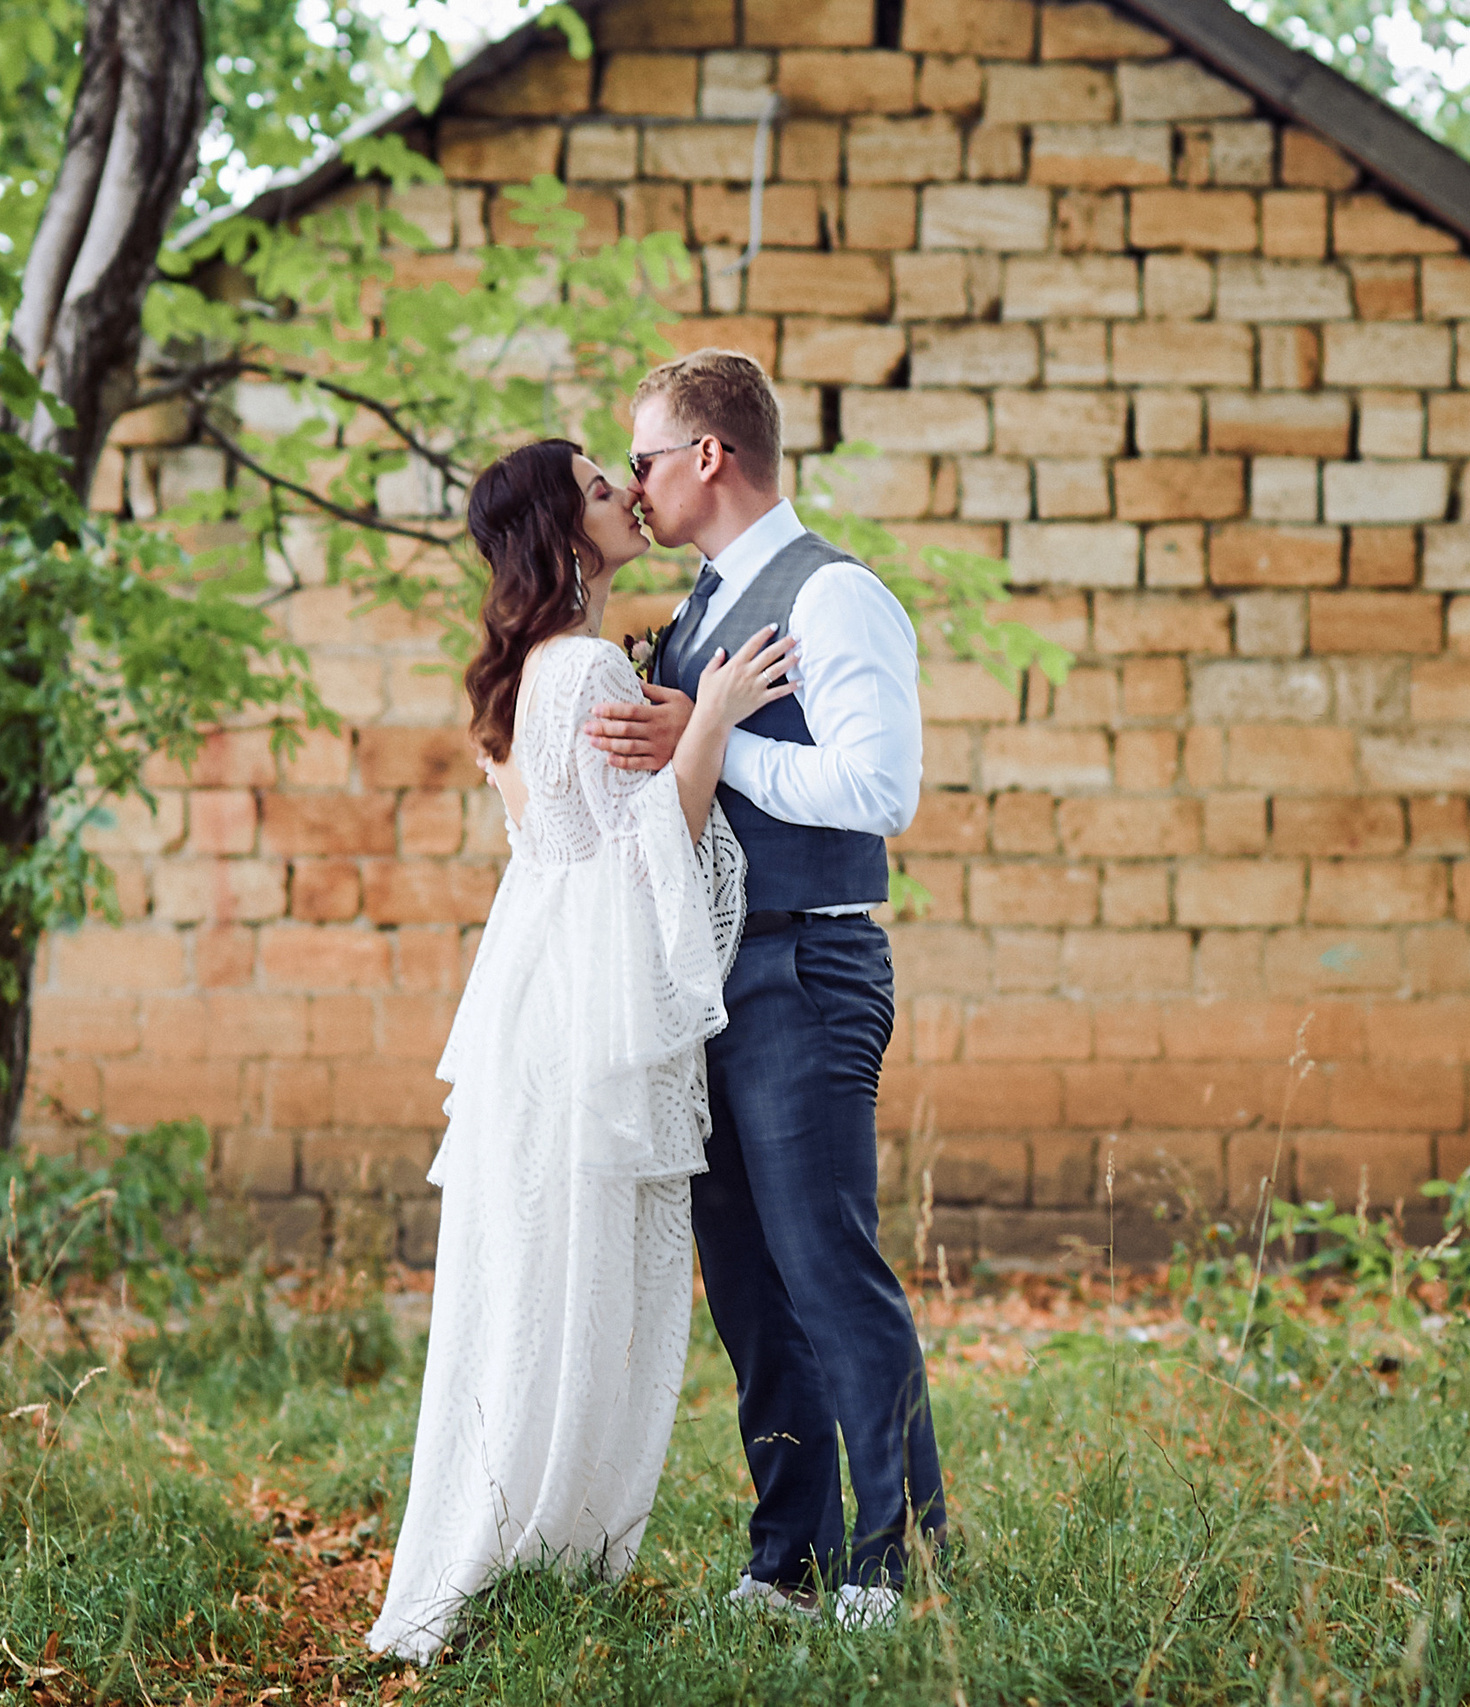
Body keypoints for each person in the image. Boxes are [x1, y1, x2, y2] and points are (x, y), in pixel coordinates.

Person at [365, 438, 798, 1664]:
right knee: (585, 1282)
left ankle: (519, 1547)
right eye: (603, 490)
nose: (628, 498)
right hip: (586, 1018)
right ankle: (533, 1549)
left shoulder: (531, 672)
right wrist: (713, 716)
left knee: (541, 1278)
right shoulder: (583, 668)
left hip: (540, 998)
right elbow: (651, 850)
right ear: (561, 532)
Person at [584, 348, 945, 1627]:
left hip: (805, 964)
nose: (633, 485)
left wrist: (711, 739)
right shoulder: (698, 609)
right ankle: (786, 1559)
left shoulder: (835, 595)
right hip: (710, 979)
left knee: (826, 1267)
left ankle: (897, 1562)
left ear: (708, 455)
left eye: (642, 459)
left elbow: (879, 790)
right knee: (745, 1283)